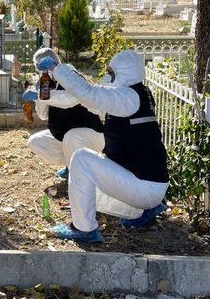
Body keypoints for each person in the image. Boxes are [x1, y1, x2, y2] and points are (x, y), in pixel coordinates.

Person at [37, 50, 169, 243]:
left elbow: (89, 94)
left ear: (123, 72)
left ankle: (84, 229)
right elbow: (91, 102)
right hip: (149, 184)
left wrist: (56, 69)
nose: (108, 75)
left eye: (111, 71)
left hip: (144, 185)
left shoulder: (128, 96)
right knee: (87, 195)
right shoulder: (136, 94)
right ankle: (141, 211)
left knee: (81, 159)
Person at [23, 48, 104, 180]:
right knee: (36, 141)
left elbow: (70, 99)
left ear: (55, 62)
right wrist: (38, 97)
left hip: (91, 134)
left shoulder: (71, 75)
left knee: (72, 136)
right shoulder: (46, 81)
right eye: (39, 67)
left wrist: (42, 95)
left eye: (46, 66)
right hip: (67, 135)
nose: (44, 70)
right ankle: (71, 165)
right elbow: (44, 115)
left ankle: (80, 176)